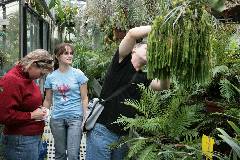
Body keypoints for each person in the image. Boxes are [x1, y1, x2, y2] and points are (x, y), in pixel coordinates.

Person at [86, 26, 170, 160]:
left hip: (123, 138)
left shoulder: (144, 78)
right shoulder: (120, 63)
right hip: (102, 132)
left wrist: (166, 65)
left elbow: (163, 86)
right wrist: (160, 25)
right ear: (134, 48)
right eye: (147, 48)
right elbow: (131, 34)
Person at [0, 49, 53, 160]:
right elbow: (4, 115)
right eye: (41, 73)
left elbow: (24, 104)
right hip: (20, 141)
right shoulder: (12, 80)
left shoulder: (26, 77)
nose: (41, 76)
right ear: (33, 64)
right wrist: (32, 115)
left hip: (30, 138)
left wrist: (39, 110)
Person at [43, 43, 88, 160]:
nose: (70, 56)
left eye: (71, 53)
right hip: (57, 119)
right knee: (60, 154)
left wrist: (85, 117)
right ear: (57, 56)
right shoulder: (51, 77)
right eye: (66, 53)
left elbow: (84, 98)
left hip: (75, 118)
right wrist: (44, 117)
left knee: (73, 155)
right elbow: (47, 100)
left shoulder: (79, 74)